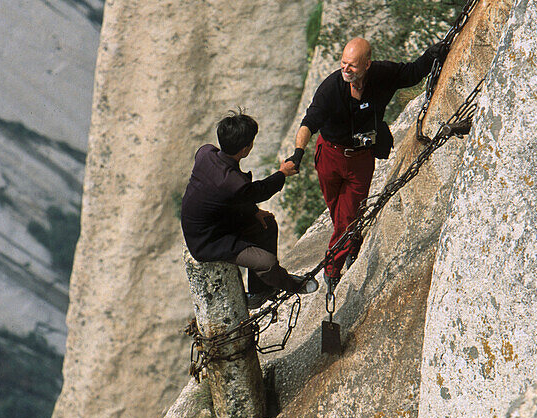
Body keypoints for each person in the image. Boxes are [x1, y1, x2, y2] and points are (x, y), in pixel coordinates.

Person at [289, 37, 442, 291]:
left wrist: (431, 54)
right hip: (329, 155)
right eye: (343, 64)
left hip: (360, 159)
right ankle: (352, 239)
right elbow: (308, 123)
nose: (346, 70)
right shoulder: (330, 89)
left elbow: (413, 73)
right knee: (337, 209)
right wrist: (297, 153)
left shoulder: (382, 74)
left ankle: (332, 268)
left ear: (367, 64)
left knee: (346, 217)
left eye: (353, 66)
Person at [181, 112, 319, 308]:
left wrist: (253, 211)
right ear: (245, 149)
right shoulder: (233, 182)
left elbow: (227, 195)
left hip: (215, 221)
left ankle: (259, 291)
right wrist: (282, 173)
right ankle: (289, 284)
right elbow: (259, 191)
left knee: (266, 223)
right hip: (208, 240)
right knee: (268, 263)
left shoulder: (205, 153)